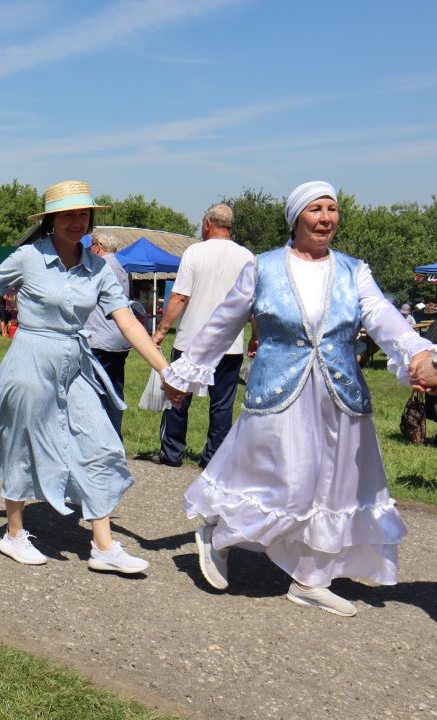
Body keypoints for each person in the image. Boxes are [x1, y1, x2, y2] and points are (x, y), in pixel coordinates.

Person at [163, 181, 437, 617]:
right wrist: (187, 371)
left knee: (335, 488)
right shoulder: (263, 267)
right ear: (296, 219)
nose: (326, 218)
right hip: (280, 392)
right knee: (285, 482)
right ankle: (218, 533)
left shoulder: (353, 271)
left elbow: (382, 315)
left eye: (332, 209)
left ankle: (312, 579)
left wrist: (418, 353)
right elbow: (223, 323)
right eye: (316, 209)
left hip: (339, 395)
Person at [0, 180, 169, 573]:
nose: (77, 221)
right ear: (51, 220)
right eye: (68, 214)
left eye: (83, 213)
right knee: (22, 444)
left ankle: (103, 546)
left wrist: (164, 369)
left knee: (100, 443)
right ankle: (14, 533)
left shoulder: (98, 268)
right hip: (30, 360)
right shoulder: (28, 257)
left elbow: (127, 322)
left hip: (76, 366)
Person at [149, 204, 254, 468]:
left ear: (207, 223)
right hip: (229, 343)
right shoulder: (247, 257)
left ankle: (172, 452)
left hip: (191, 339)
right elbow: (254, 302)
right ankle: (214, 457)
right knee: (222, 404)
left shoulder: (194, 252)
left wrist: (161, 331)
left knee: (177, 397)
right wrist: (256, 335)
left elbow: (179, 296)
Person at [83, 235, 132, 435]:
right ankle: (114, 436)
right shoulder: (120, 268)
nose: (89, 249)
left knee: (92, 392)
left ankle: (97, 438)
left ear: (99, 246)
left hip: (100, 338)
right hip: (118, 338)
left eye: (91, 245)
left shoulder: (100, 266)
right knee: (114, 391)